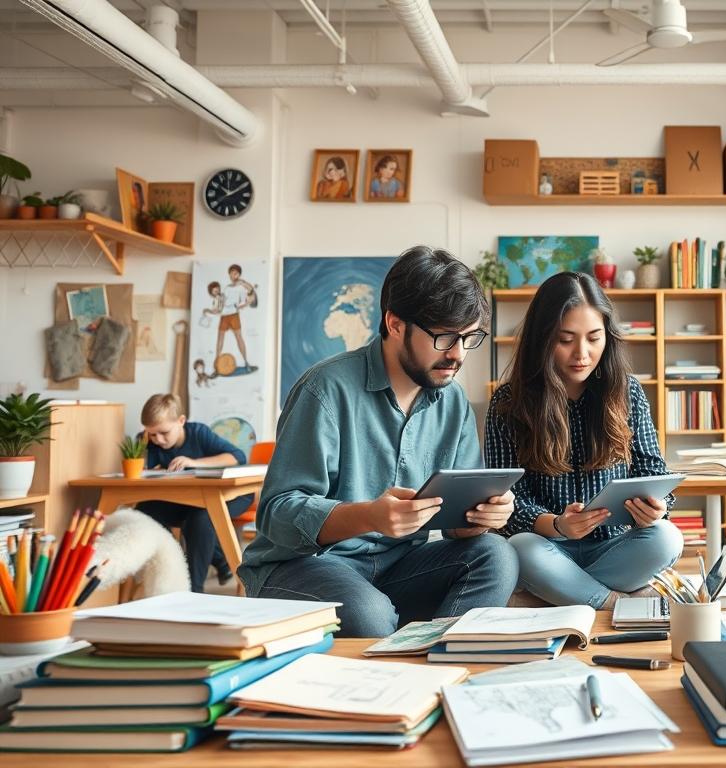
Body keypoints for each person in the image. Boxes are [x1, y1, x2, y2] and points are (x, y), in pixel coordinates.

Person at [239, 246, 520, 637]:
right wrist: (369, 516)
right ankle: (400, 660)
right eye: (444, 337)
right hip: (304, 565)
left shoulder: (452, 401)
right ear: (395, 324)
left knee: (497, 555)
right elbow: (277, 514)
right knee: (369, 613)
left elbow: (456, 528)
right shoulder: (326, 388)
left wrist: (481, 517)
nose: (457, 355)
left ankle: (443, 657)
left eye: (469, 338)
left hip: (398, 566)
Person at [484, 272, 681, 610]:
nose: (582, 353)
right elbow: (508, 500)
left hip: (614, 544)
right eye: (566, 339)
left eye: (594, 338)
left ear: (608, 336)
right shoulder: (508, 403)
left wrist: (657, 509)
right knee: (516, 549)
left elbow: (654, 471)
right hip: (547, 546)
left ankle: (560, 593)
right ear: (542, 339)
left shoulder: (628, 392)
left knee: (667, 538)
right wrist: (558, 524)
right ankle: (611, 602)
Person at [137, 393, 251, 592]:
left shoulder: (198, 433)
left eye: (164, 432)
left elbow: (237, 456)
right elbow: (147, 469)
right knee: (145, 510)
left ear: (181, 421)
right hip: (189, 499)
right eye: (152, 434)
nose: (159, 439)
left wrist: (194, 463)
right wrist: (143, 450)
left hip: (232, 495)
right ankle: (180, 562)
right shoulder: (152, 442)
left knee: (200, 517)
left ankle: (193, 589)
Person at [215, 264, 254, 371]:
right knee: (220, 338)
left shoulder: (242, 287)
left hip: (234, 315)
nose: (233, 275)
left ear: (239, 274)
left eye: (235, 273)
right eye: (231, 273)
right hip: (224, 315)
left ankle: (246, 363)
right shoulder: (226, 287)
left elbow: (247, 296)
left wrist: (240, 305)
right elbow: (222, 301)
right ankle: (216, 364)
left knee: (239, 338)